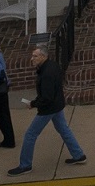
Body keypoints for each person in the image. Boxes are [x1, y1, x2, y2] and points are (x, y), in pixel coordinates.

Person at [10, 42, 85, 176]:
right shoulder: (52, 66)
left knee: (30, 134)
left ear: (43, 56)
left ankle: (25, 165)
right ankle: (78, 154)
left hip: (49, 109)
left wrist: (33, 104)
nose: (32, 59)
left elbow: (46, 98)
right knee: (63, 129)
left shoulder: (46, 74)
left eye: (35, 56)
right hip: (57, 106)